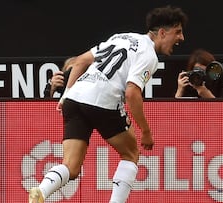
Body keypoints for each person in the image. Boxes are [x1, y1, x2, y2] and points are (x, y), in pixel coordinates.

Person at [29, 5, 188, 203]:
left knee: (71, 167)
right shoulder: (148, 54)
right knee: (131, 153)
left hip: (75, 98)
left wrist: (65, 95)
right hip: (102, 100)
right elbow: (132, 93)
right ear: (162, 33)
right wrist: (146, 131)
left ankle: (41, 192)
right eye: (178, 32)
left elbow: (79, 61)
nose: (181, 38)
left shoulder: (120, 37)